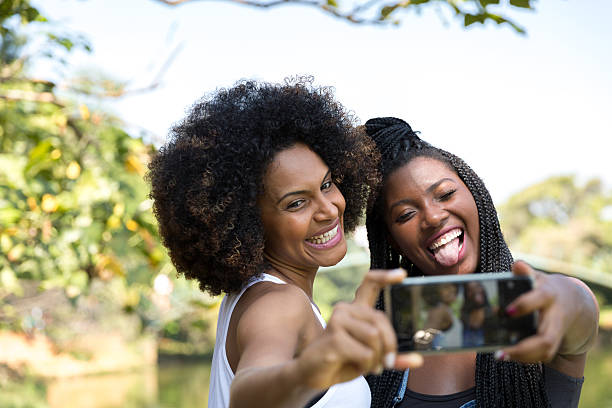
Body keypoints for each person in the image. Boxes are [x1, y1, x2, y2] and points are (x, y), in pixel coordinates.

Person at [147, 80, 422, 408]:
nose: (329, 208)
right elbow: (250, 393)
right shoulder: (278, 303)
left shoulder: (255, 295)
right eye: (296, 203)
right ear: (248, 224)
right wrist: (310, 371)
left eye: (327, 184)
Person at [363, 117, 599, 408]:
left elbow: (579, 311)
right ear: (393, 241)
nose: (433, 217)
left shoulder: (532, 302)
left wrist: (566, 301)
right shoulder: (387, 332)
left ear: (476, 196)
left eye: (446, 194)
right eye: (406, 215)